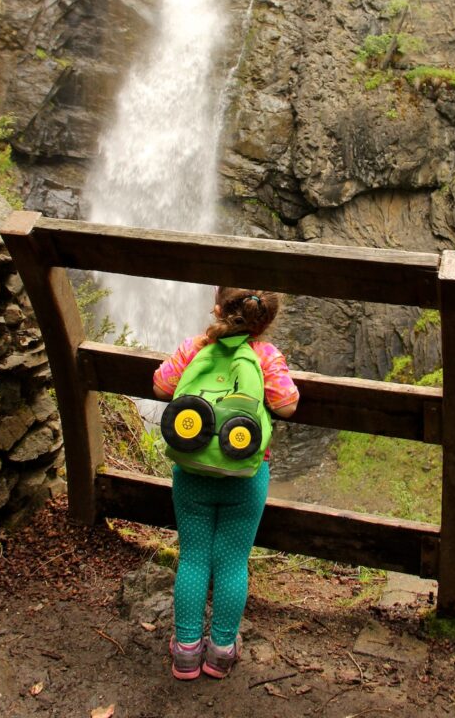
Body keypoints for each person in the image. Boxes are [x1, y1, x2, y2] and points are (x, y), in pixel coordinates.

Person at [153, 286, 299, 680]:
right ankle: (220, 650)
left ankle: (185, 650)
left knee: (194, 558)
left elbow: (160, 387)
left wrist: (198, 346)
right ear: (266, 320)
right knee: (233, 562)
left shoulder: (195, 347)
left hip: (192, 473)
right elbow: (287, 404)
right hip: (245, 476)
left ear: (217, 308)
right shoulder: (265, 355)